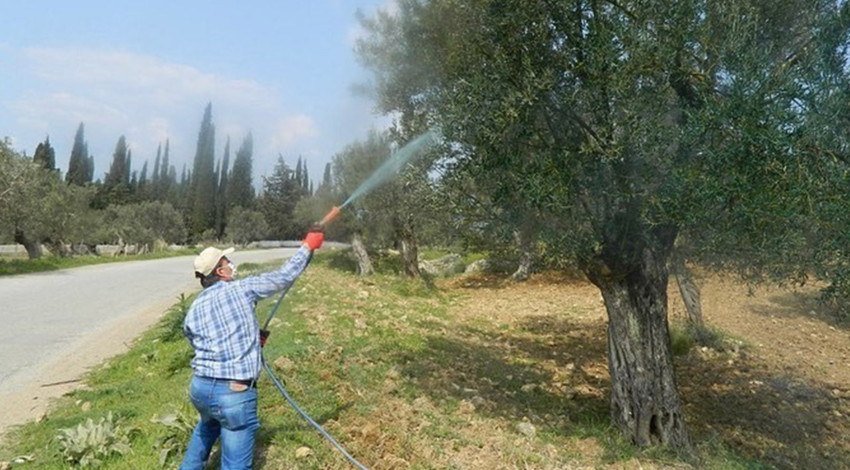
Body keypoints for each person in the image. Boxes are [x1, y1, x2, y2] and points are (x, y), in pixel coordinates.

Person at [179, 228, 325, 470]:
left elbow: (197, 342)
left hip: (200, 389)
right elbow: (284, 276)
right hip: (233, 393)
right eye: (227, 262)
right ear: (220, 271)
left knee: (207, 427)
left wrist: (249, 342)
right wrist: (307, 247)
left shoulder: (195, 307)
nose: (231, 265)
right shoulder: (241, 289)